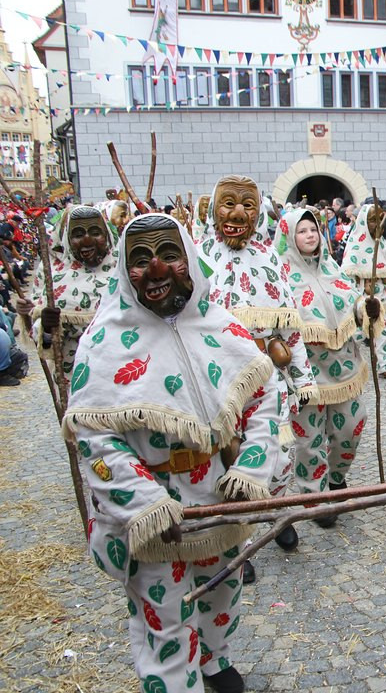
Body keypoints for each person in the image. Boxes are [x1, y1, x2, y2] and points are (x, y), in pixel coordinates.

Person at [65, 214, 278, 693]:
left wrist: (251, 467)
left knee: (223, 592)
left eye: (169, 255)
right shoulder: (101, 344)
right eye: (140, 260)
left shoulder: (221, 326)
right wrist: (144, 503)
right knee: (163, 616)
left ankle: (213, 657)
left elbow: (266, 395)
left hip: (217, 498)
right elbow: (94, 439)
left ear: (190, 260)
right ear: (124, 270)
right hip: (157, 517)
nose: (158, 269)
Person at [200, 175, 316, 557]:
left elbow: (292, 326)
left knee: (281, 456)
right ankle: (238, 540)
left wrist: (302, 378)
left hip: (271, 375)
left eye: (248, 205)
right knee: (229, 458)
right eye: (229, 203)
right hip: (219, 381)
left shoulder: (270, 257)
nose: (238, 213)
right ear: (214, 209)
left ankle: (276, 513)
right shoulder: (197, 259)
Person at [275, 207, 372, 527]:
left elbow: (353, 304)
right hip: (306, 376)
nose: (310, 235)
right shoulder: (280, 275)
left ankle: (337, 478)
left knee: (351, 427)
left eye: (313, 229)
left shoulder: (333, 267)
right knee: (309, 441)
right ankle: (314, 499)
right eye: (302, 231)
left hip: (343, 370)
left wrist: (366, 307)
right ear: (289, 235)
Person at [15, 205, 117, 377]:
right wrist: (46, 325)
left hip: (117, 367)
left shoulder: (122, 266)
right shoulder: (51, 271)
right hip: (73, 371)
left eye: (95, 232)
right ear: (66, 238)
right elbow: (42, 338)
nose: (87, 240)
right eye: (78, 234)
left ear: (106, 234)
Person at [342, 203, 386, 381]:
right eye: (373, 220)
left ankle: (384, 366)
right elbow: (349, 273)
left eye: (380, 219)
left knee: (383, 332)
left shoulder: (381, 243)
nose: (378, 224)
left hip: (383, 296)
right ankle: (347, 362)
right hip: (364, 300)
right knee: (358, 332)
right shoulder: (356, 244)